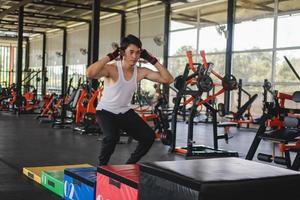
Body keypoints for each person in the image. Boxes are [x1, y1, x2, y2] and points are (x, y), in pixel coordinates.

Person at [86, 34, 174, 165]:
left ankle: (129, 166)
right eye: (131, 52)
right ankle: (102, 167)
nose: (135, 56)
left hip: (124, 111)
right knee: (112, 137)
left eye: (138, 53)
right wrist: (110, 56)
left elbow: (168, 79)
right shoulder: (112, 68)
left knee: (148, 137)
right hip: (106, 111)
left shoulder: (140, 72)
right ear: (122, 52)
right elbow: (90, 73)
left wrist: (153, 60)